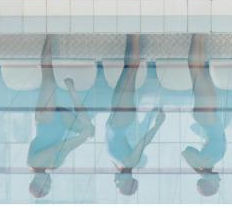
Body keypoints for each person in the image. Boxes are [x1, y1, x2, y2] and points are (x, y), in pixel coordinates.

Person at [27, 35, 95, 199]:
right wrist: (85, 136)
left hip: (46, 119)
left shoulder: (33, 164)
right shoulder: (55, 165)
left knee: (47, 74)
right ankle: (72, 90)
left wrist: (82, 138)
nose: (50, 182)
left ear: (36, 182)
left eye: (46, 185)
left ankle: (49, 36)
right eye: (50, 185)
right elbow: (68, 147)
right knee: (89, 129)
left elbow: (59, 147)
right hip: (62, 123)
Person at [106, 35, 165, 196]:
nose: (116, 181)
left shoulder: (119, 165)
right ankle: (135, 36)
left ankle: (131, 36)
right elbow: (143, 142)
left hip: (118, 116)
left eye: (116, 183)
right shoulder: (132, 162)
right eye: (120, 184)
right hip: (122, 117)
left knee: (128, 69)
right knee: (131, 69)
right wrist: (157, 124)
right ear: (129, 181)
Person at [182, 34, 227, 197]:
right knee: (199, 71)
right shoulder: (210, 161)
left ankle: (196, 35)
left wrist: (199, 171)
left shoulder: (204, 163)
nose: (220, 180)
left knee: (196, 71)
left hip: (207, 115)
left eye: (216, 183)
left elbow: (186, 151)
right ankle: (198, 36)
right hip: (208, 115)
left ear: (209, 182)